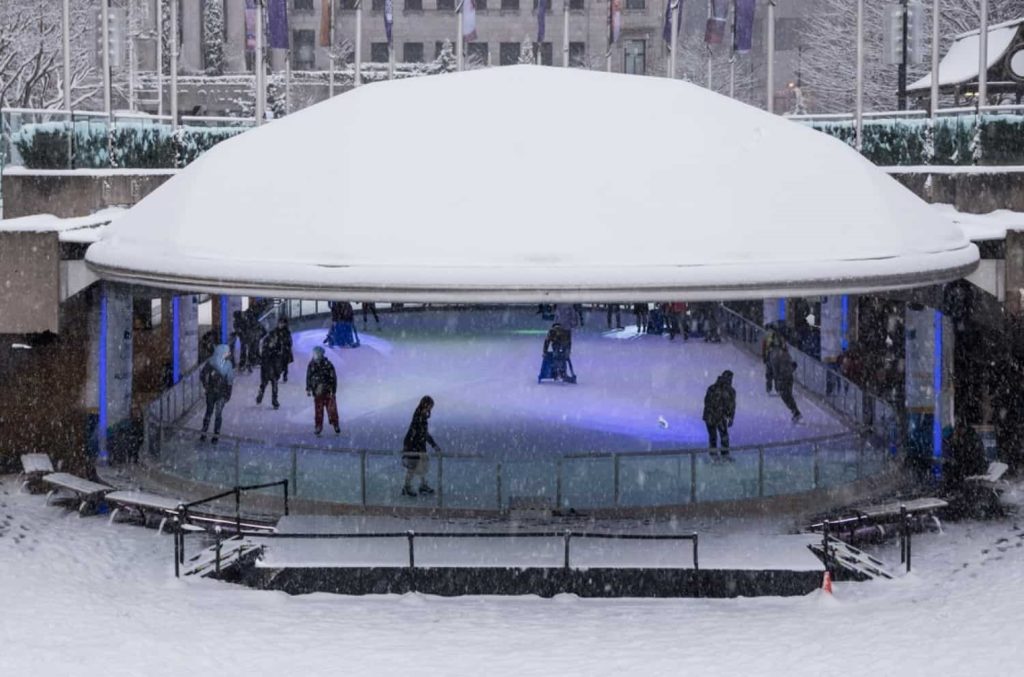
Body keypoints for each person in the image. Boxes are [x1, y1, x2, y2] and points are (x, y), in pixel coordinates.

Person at [401, 396, 441, 497]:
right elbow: (419, 434)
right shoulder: (419, 417)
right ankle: (407, 487)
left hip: (417, 447)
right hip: (414, 447)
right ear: (426, 405)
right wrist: (410, 449)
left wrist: (433, 444)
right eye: (430, 407)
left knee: (421, 465)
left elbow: (423, 434)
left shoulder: (420, 417)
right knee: (413, 467)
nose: (430, 409)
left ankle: (421, 486)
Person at [199, 344, 234, 444]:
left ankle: (215, 435)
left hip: (221, 393)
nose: (228, 354)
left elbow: (230, 380)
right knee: (209, 412)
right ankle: (205, 433)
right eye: (227, 352)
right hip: (212, 392)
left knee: (217, 413)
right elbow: (202, 375)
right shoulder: (211, 363)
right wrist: (206, 385)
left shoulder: (228, 364)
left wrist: (227, 394)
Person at [306, 346, 340, 435]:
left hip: (328, 391)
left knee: (332, 410)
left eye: (317, 354)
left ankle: (335, 424)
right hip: (317, 392)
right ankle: (318, 426)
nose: (315, 355)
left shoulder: (328, 364)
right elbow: (308, 377)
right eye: (314, 354)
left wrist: (333, 390)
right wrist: (309, 388)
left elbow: (333, 378)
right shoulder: (311, 365)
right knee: (318, 411)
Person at [256, 319, 289, 409]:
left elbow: (280, 352)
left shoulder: (278, 343)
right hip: (267, 366)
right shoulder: (266, 343)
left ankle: (274, 400)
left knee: (274, 383)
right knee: (264, 383)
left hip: (273, 366)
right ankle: (261, 394)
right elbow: (263, 353)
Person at [702, 370, 736, 455]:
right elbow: (709, 402)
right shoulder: (727, 391)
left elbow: (731, 406)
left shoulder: (714, 388)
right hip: (715, 416)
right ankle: (719, 455)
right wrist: (729, 417)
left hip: (715, 417)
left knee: (717, 437)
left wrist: (730, 417)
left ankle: (718, 455)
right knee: (719, 437)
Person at [770, 343, 802, 422]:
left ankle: (795, 411)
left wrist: (777, 380)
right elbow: (791, 366)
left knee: (786, 396)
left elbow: (775, 369)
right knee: (788, 395)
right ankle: (795, 411)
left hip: (783, 378)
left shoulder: (776, 356)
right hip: (788, 377)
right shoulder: (786, 355)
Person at [276, 316, 294, 382]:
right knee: (278, 364)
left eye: (282, 323)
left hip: (285, 351)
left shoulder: (286, 332)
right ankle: (279, 374)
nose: (280, 325)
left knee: (284, 364)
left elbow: (290, 342)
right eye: (279, 323)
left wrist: (286, 346)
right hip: (279, 351)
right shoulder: (276, 331)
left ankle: (284, 375)